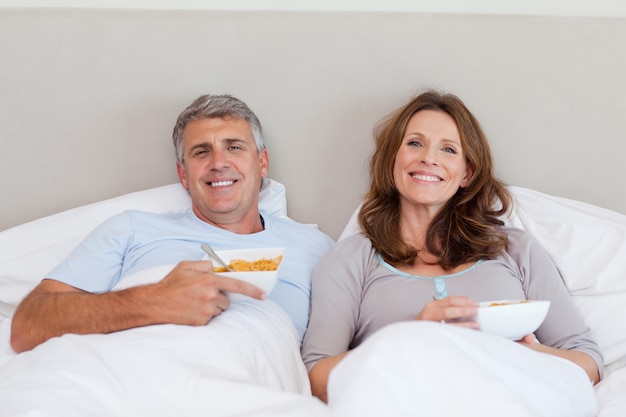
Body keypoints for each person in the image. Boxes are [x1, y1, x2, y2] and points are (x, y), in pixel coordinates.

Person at [300, 90, 603, 410]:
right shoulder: (351, 259)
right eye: (414, 143)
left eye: (448, 149)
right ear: (393, 160)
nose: (429, 158)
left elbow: (589, 364)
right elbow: (316, 376)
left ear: (467, 174)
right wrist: (413, 336)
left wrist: (523, 354)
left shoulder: (514, 250)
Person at [10, 93, 334, 353]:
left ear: (261, 163)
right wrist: (149, 302)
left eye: (234, 147)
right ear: (183, 174)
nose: (218, 163)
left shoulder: (316, 249)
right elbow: (27, 325)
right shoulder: (132, 230)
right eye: (201, 152)